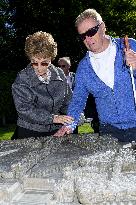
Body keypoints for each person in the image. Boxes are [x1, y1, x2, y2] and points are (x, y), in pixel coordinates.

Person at [54, 8, 136, 143]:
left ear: (103, 27)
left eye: (91, 32)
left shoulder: (129, 45)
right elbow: (78, 100)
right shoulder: (84, 68)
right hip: (109, 132)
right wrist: (69, 125)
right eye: (82, 36)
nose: (88, 38)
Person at [11, 31, 74, 139]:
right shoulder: (22, 78)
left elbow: (69, 103)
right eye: (34, 62)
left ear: (51, 58)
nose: (39, 68)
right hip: (29, 132)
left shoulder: (60, 74)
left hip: (57, 130)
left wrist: (74, 119)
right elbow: (24, 110)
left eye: (44, 63)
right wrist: (54, 118)